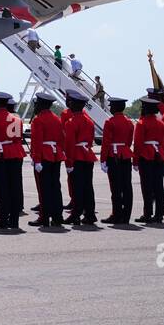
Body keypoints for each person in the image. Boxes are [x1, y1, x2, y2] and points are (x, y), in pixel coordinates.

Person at [0, 92, 25, 231]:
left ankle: (2, 218)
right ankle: (14, 220)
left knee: (2, 190)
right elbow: (18, 139)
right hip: (15, 154)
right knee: (14, 188)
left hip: (0, 155)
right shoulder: (16, 119)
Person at [28, 92, 66, 228]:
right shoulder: (57, 119)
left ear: (41, 104)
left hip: (44, 156)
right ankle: (57, 216)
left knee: (44, 189)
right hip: (55, 155)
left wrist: (36, 159)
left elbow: (36, 141)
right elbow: (62, 139)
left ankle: (44, 217)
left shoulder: (38, 120)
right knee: (55, 187)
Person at [62, 90, 98, 226]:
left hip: (77, 156)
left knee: (77, 187)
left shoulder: (71, 122)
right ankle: (90, 213)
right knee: (88, 186)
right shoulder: (89, 121)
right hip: (87, 155)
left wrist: (69, 162)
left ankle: (76, 214)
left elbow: (69, 144)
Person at [134, 97, 164, 224]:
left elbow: (138, 144)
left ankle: (147, 213)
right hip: (159, 155)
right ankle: (159, 214)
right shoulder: (161, 123)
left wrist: (135, 161)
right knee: (159, 186)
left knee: (147, 187)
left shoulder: (141, 123)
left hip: (146, 155)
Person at [100, 96, 135, 224]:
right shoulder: (129, 122)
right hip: (125, 154)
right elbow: (129, 141)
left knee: (115, 188)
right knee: (126, 186)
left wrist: (103, 159)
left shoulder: (110, 122)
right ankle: (126, 215)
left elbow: (106, 143)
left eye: (111, 106)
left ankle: (116, 214)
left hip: (113, 155)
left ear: (114, 108)